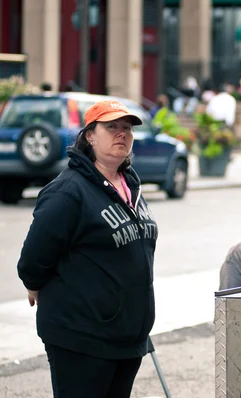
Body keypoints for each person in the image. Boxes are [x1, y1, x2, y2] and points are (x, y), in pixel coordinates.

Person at [17, 99, 159, 398]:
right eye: (111, 127)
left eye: (127, 128)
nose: (122, 134)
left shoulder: (130, 186)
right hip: (82, 337)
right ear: (90, 135)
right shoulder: (68, 191)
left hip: (127, 336)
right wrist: (34, 284)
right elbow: (33, 257)